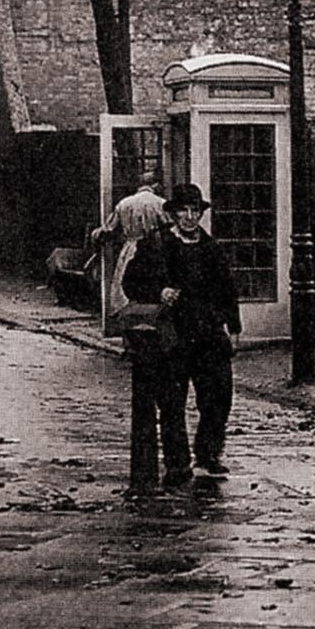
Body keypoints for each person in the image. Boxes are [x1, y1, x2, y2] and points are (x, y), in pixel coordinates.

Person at [120, 183, 242, 490]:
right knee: (172, 402)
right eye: (184, 211)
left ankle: (208, 454)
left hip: (209, 334)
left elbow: (227, 289)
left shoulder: (211, 247)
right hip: (172, 335)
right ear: (173, 214)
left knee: (218, 397)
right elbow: (130, 282)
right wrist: (158, 291)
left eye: (195, 211)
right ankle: (177, 462)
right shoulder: (156, 244)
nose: (190, 217)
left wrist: (234, 327)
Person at [92, 164, 170, 316]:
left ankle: (126, 316)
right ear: (155, 184)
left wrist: (96, 236)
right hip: (154, 248)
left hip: (130, 247)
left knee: (126, 283)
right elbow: (169, 227)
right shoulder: (161, 203)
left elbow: (107, 229)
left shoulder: (124, 203)